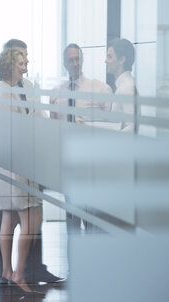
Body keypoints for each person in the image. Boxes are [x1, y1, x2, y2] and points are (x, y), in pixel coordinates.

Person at [0, 39, 62, 286]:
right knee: (25, 219)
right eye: (22, 59)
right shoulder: (0, 90)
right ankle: (16, 273)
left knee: (13, 218)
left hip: (25, 161)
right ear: (10, 62)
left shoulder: (29, 85)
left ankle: (10, 273)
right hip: (13, 163)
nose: (27, 62)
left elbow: (39, 117)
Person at [50, 43, 113, 270]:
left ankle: (96, 268)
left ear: (82, 61)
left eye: (78, 59)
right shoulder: (58, 93)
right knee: (73, 220)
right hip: (71, 166)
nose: (75, 64)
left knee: (94, 219)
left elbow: (112, 124)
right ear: (64, 63)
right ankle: (76, 270)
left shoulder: (99, 89)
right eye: (71, 60)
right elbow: (54, 129)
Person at [105, 38, 137, 132]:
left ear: (122, 60)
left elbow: (132, 127)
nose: (105, 61)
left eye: (109, 57)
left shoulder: (126, 87)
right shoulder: (123, 85)